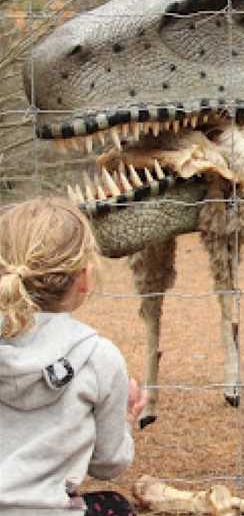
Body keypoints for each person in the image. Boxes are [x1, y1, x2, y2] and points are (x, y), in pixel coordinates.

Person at [0, 198, 147, 516]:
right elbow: (109, 464)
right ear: (84, 278)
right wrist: (124, 419)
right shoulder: (99, 358)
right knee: (115, 507)